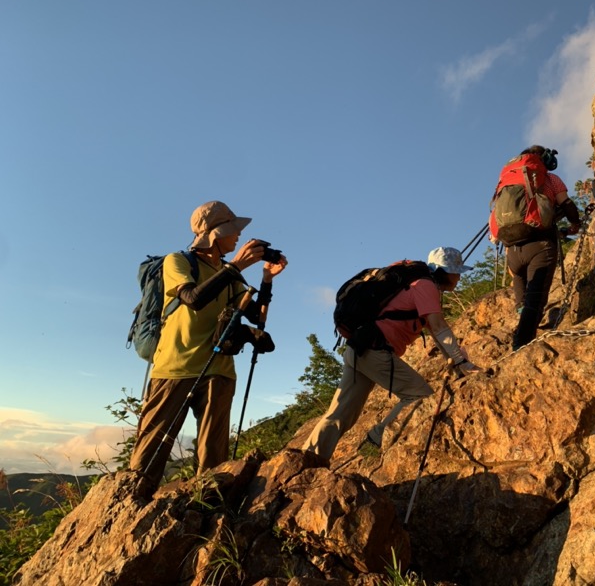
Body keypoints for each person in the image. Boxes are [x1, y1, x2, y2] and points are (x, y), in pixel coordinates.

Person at [130, 200, 288, 490]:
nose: (239, 236)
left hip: (220, 369)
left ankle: (207, 510)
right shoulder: (177, 262)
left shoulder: (231, 275)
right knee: (150, 452)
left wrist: (266, 280)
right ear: (215, 233)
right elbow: (193, 299)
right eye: (234, 229)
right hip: (175, 366)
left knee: (213, 459)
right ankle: (131, 505)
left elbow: (256, 317)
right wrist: (237, 266)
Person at [303, 246, 481, 463]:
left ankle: (307, 459)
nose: (459, 277)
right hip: (375, 350)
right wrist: (461, 362)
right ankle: (377, 437)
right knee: (419, 394)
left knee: (339, 415)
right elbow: (438, 326)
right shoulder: (425, 285)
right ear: (446, 271)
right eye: (457, 272)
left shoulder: (413, 284)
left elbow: (433, 331)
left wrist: (455, 363)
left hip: (360, 348)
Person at [506, 145, 582, 351]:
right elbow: (565, 203)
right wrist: (575, 224)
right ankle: (521, 345)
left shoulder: (510, 183)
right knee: (536, 299)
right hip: (540, 245)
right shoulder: (550, 179)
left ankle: (522, 315)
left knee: (521, 286)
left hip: (513, 249)